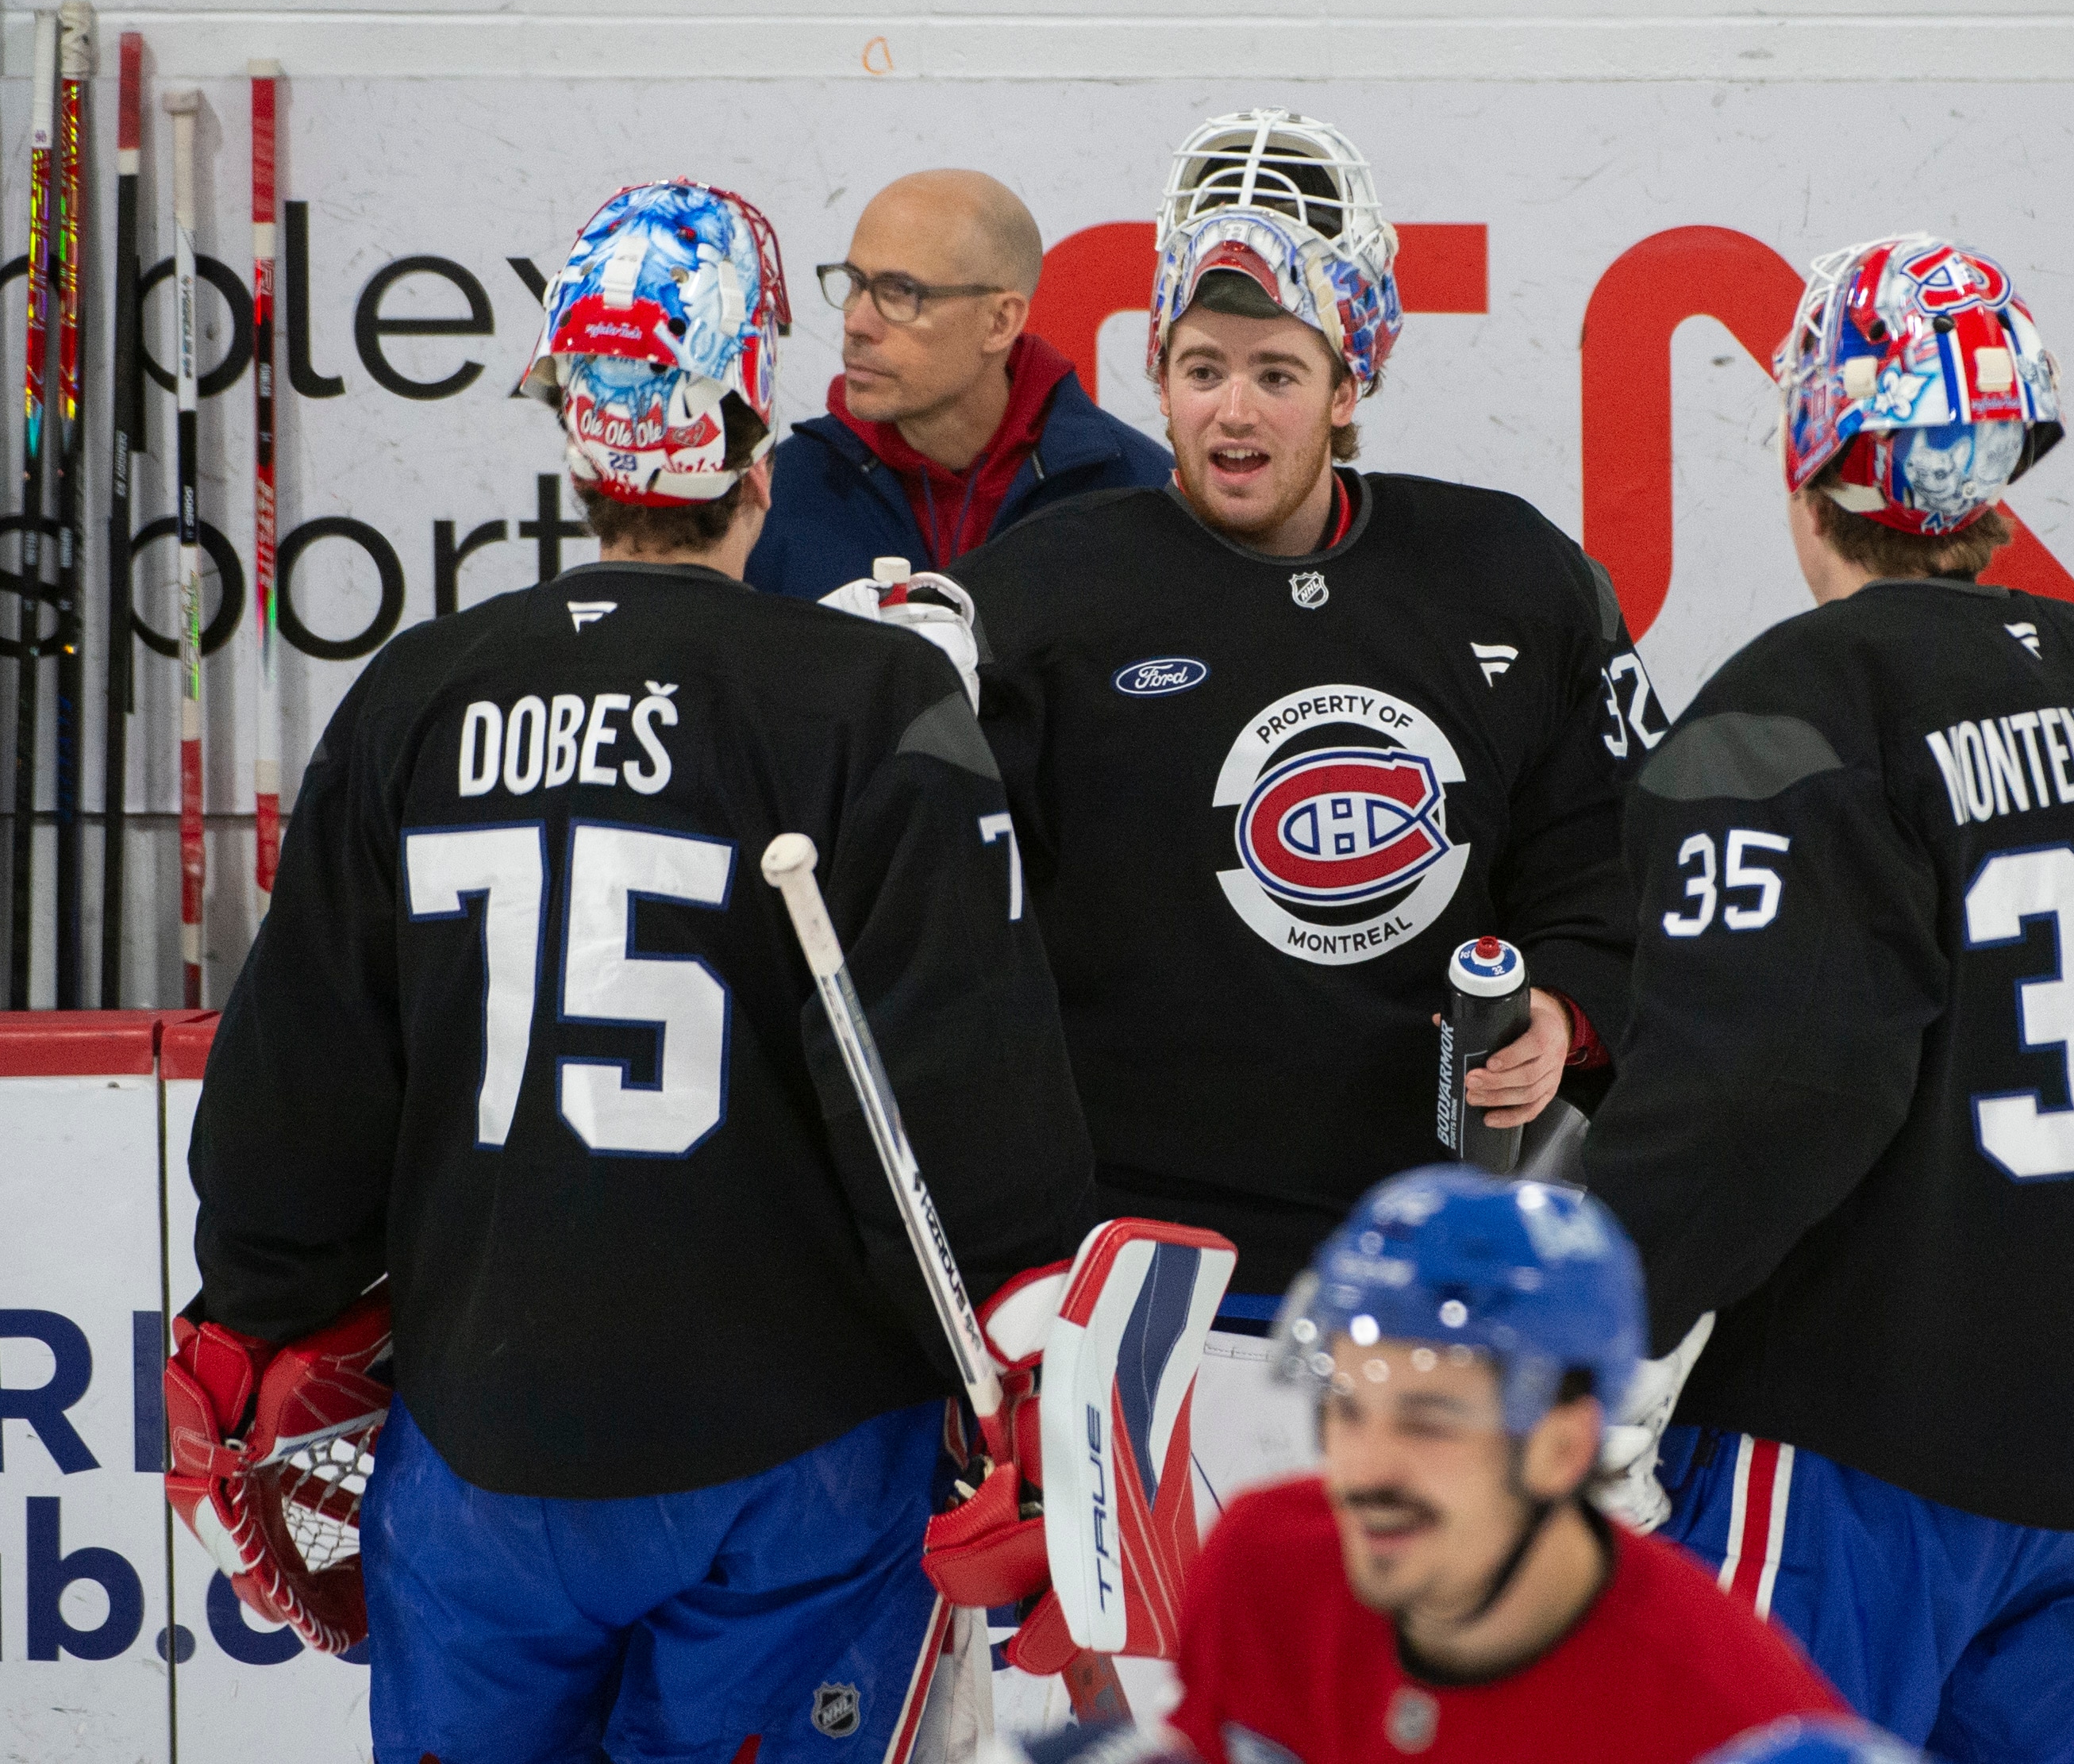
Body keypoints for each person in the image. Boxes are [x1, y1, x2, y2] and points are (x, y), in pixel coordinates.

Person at [171, 179, 1097, 1764]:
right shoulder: (868, 696)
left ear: (576, 424)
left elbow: (302, 1078)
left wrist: (257, 1309)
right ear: (755, 419)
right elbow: (954, 1078)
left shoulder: (414, 692)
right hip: (794, 1460)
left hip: (481, 1450)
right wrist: (1034, 1369)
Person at [1583, 234, 2074, 1764]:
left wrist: (1606, 1343)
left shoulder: (1792, 705)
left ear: (1806, 447)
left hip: (1863, 1441)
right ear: (1994, 469)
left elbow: (1764, 1082)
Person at [951, 111, 1662, 1445]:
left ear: (1349, 386)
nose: (1232, 407)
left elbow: (1613, 861)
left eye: (1278, 372)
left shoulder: (1512, 574)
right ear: (1156, 374)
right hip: (1135, 1288)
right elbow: (945, 947)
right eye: (1200, 365)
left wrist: (1568, 1012)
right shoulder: (1035, 601)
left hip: (1433, 1294)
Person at [1142, 1164, 1842, 1763]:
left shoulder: (1734, 1720)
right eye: (1347, 1408)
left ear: (1562, 1448)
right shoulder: (1264, 1560)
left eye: (1430, 1422)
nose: (1365, 1472)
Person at [747, 168, 1172, 595]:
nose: (856, 322)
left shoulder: (1140, 498)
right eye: (855, 283)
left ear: (999, 323)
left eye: (899, 292)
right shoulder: (769, 499)